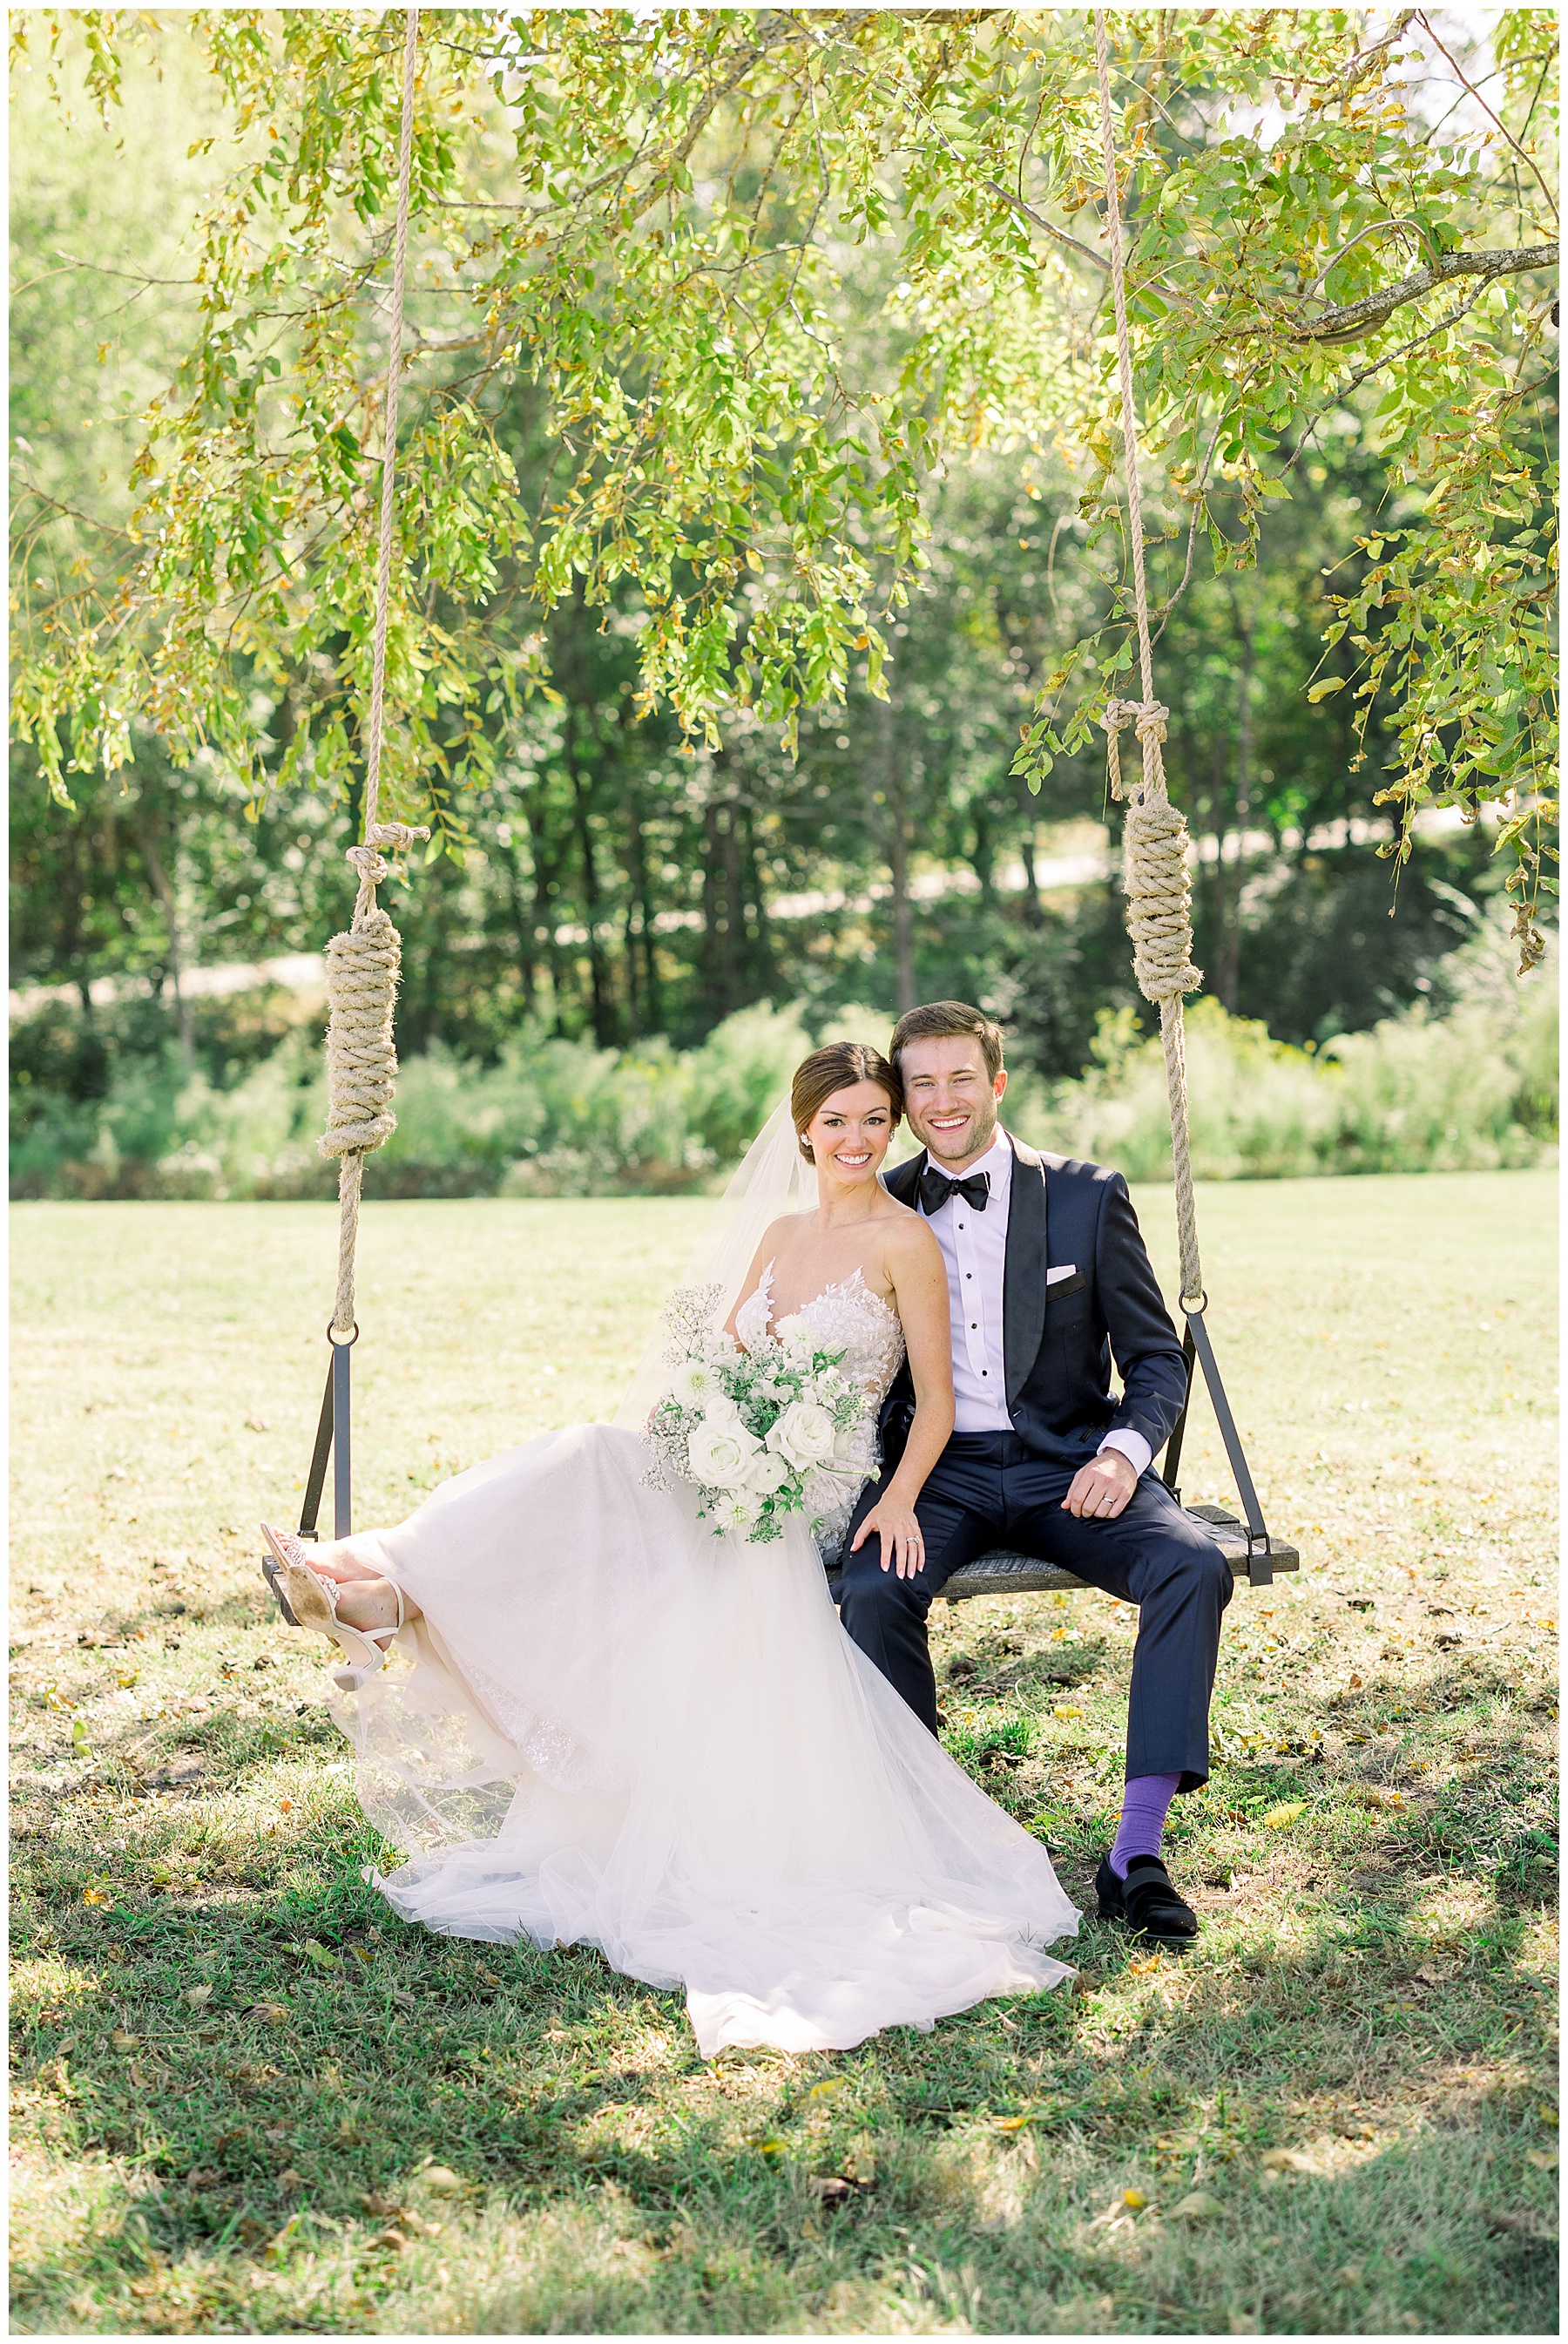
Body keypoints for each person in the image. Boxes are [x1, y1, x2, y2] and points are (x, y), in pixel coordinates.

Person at [259, 1042, 1079, 2056]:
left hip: (812, 1482)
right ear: (804, 1130)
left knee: (604, 1487)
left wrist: (901, 1499)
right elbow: (718, 1356)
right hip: (733, 1455)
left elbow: (938, 1404)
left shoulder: (903, 1240)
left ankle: (376, 1590)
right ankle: (383, 1587)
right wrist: (692, 1417)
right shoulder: (780, 1233)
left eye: (875, 1119)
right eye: (837, 1120)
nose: (857, 1138)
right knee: (592, 1458)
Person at [836, 1001, 1230, 1949]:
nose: (943, 1100)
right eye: (922, 1083)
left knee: (1192, 1564)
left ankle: (1136, 1854)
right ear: (903, 1100)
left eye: (961, 1078)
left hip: (1070, 1463)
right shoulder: (881, 1207)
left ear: (998, 1083)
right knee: (871, 1588)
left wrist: (1121, 1454)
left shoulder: (1088, 1196)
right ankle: (923, 1835)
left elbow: (1156, 1357)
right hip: (939, 1472)